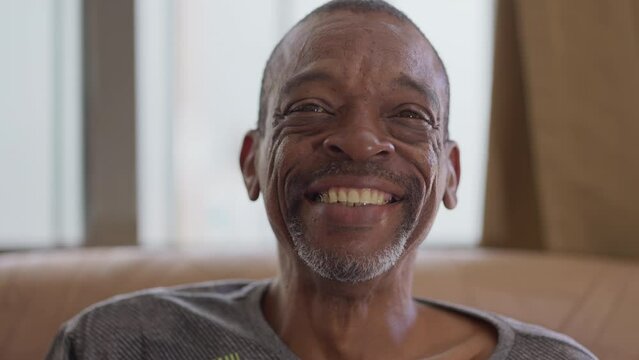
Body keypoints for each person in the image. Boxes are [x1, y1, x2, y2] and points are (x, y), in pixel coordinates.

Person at [47, 1, 597, 359]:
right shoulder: (117, 345)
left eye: (408, 114)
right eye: (310, 106)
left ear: (450, 175)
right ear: (252, 161)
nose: (359, 140)